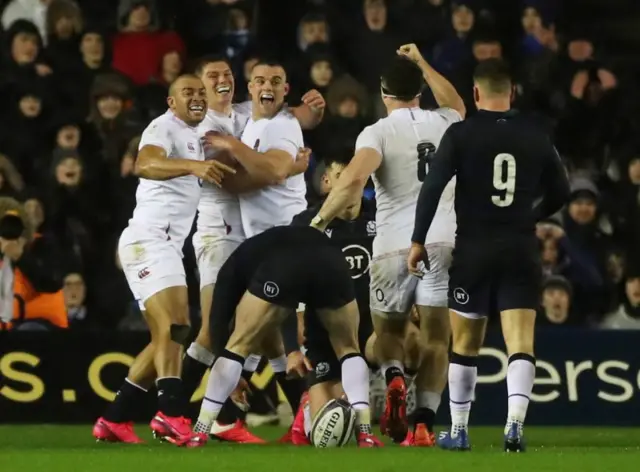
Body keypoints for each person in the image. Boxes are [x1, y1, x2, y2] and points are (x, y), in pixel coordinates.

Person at [407, 58, 570, 452]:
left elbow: (432, 188)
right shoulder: (536, 133)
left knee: (464, 343)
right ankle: (514, 426)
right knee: (520, 341)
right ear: (511, 92)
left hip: (474, 248)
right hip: (520, 247)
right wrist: (530, 214)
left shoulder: (461, 134)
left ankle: (459, 430)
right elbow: (562, 192)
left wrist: (417, 240)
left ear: (476, 93)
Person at [309, 44, 466, 444]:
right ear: (420, 92)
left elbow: (353, 181)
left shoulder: (376, 132)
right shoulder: (444, 121)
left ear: (383, 95)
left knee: (386, 335)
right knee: (436, 340)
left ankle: (393, 376)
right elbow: (459, 103)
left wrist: (319, 221)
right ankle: (425, 425)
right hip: (441, 243)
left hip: (392, 245)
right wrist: (423, 63)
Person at [92, 75, 235, 447]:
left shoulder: (195, 134)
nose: (197, 97)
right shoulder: (162, 127)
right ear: (171, 102)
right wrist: (194, 166)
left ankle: (115, 418)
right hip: (147, 241)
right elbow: (144, 163)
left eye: (200, 92)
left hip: (166, 245)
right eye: (188, 92)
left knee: (166, 333)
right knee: (175, 326)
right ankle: (171, 413)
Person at [188, 59, 320, 442]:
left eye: (226, 74)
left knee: (264, 331)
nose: (220, 80)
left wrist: (310, 113)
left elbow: (289, 118)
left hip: (268, 241)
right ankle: (182, 411)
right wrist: (286, 169)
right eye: (211, 76)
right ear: (199, 87)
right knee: (221, 331)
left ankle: (229, 414)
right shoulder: (206, 128)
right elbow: (231, 183)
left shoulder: (245, 117)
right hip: (219, 235)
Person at [192, 224, 381, 448]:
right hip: (332, 260)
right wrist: (291, 349)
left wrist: (231, 374)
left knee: (238, 346)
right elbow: (287, 306)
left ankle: (200, 431)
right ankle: (365, 434)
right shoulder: (262, 248)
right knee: (349, 348)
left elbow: (217, 324)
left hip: (286, 264)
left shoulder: (230, 272)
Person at [288, 155, 424, 447]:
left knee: (413, 341)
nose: (351, 185)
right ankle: (314, 405)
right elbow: (289, 282)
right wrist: (292, 340)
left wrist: (412, 298)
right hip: (324, 333)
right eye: (343, 177)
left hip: (374, 326)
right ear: (327, 183)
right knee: (325, 434)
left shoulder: (383, 217)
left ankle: (394, 391)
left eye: (356, 177)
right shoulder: (305, 224)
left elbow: (407, 261)